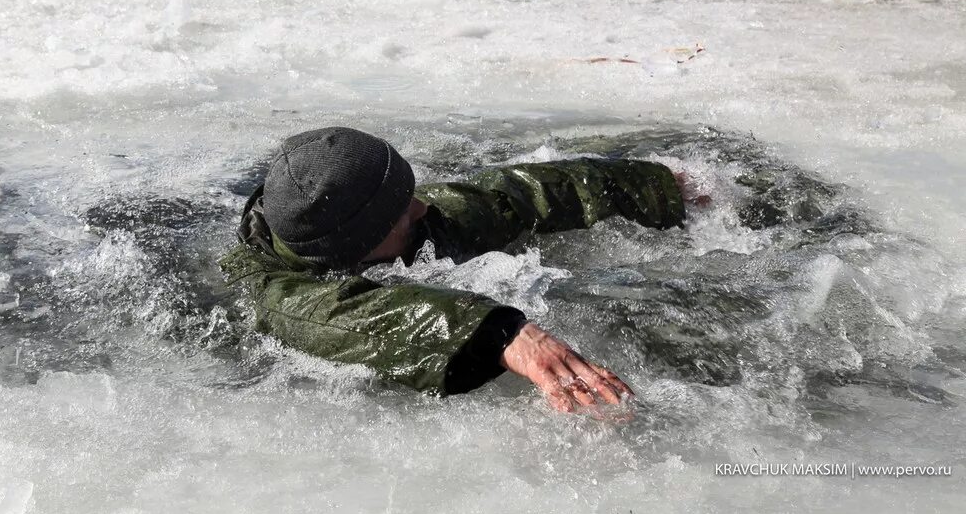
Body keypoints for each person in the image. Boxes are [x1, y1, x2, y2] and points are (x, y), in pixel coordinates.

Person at [219, 127, 688, 413]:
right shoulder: (277, 296)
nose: (422, 208)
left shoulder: (357, 223)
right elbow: (359, 318)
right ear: (357, 246)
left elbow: (509, 196)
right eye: (401, 212)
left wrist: (655, 185)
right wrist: (501, 334)